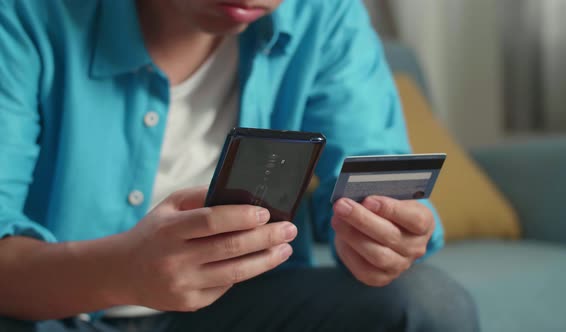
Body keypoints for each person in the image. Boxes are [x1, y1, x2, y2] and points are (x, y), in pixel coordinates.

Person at [0, 0, 479, 331]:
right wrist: (122, 273)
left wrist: (388, 239)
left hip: (240, 305)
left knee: (428, 306)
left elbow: (375, 171)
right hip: (52, 307)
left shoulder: (325, 15)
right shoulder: (25, 16)